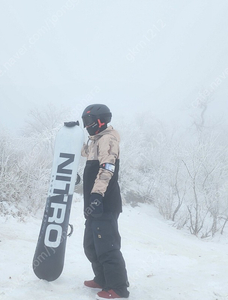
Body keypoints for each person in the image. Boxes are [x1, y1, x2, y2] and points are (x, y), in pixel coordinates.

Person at [81, 104, 129, 300]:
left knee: (107, 246)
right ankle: (101, 278)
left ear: (101, 120)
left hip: (104, 202)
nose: (87, 126)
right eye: (84, 122)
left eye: (88, 121)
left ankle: (118, 288)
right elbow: (83, 154)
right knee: (91, 245)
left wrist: (97, 195)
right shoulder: (95, 141)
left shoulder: (108, 139)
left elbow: (107, 168)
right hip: (93, 204)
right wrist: (70, 133)